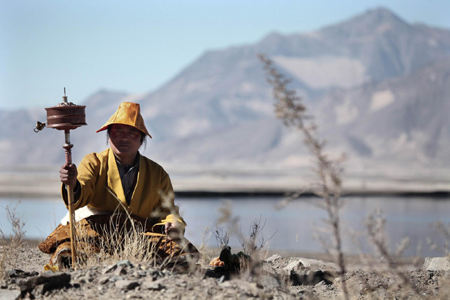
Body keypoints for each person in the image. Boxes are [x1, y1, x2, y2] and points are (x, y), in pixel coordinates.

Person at [38, 102, 198, 269]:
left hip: (139, 236)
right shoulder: (93, 162)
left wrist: (172, 223)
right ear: (109, 135)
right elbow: (81, 190)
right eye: (118, 131)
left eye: (132, 132)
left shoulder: (158, 173)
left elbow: (168, 211)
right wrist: (72, 183)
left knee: (183, 255)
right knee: (69, 252)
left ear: (142, 138)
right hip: (96, 231)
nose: (124, 137)